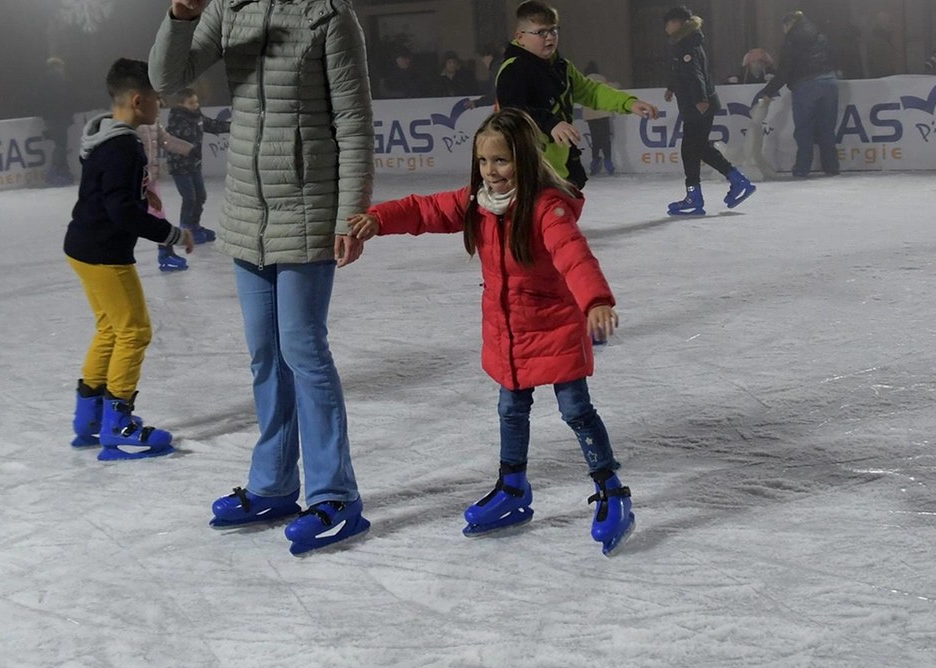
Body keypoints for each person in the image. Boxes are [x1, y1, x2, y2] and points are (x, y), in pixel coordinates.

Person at [347, 109, 633, 555]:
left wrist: (595, 301)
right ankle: (514, 488)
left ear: (523, 159)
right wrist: (379, 219)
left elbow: (573, 255)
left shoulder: (546, 208)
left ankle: (612, 491)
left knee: (576, 410)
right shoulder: (477, 203)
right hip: (510, 333)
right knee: (510, 410)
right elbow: (424, 209)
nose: (491, 171)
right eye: (483, 162)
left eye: (501, 161)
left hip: (554, 326)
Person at [151, 0, 375, 556]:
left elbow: (352, 117)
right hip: (248, 209)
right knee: (265, 355)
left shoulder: (328, 16)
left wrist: (352, 211)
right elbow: (168, 79)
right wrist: (179, 18)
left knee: (303, 350)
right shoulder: (230, 8)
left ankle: (335, 496)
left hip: (307, 203)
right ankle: (274, 485)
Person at [65, 59, 194, 461]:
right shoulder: (125, 145)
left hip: (82, 246)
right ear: (139, 101)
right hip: (106, 252)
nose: (162, 105)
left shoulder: (103, 134)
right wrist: (170, 232)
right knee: (135, 331)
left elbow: (106, 189)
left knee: (109, 329)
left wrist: (141, 194)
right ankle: (118, 427)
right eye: (158, 98)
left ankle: (88, 419)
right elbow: (120, 210)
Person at [495, 1, 658, 190]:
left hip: (559, 165)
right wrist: (551, 123)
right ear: (520, 37)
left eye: (554, 30)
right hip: (527, 166)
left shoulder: (562, 67)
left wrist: (628, 103)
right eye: (540, 32)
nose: (549, 37)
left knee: (565, 208)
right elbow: (513, 111)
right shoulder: (514, 68)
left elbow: (591, 91)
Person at [662, 7, 756, 216]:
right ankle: (737, 180)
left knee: (690, 150)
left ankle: (694, 197)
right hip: (697, 106)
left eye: (667, 23)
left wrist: (700, 100)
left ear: (677, 23)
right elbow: (682, 72)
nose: (666, 28)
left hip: (697, 106)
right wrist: (671, 87)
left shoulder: (685, 45)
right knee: (700, 148)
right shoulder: (689, 41)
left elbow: (695, 74)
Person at [754, 11, 841, 178]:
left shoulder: (791, 40)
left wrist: (768, 92)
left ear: (789, 25)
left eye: (783, 28)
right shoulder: (821, 35)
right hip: (830, 81)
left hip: (806, 84)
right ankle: (831, 166)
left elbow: (784, 70)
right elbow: (834, 56)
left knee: (804, 128)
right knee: (827, 127)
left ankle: (802, 167)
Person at [165, 88, 231, 243]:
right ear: (181, 104)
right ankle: (185, 230)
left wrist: (233, 126)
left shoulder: (198, 117)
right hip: (180, 166)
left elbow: (213, 125)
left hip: (194, 165)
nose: (196, 105)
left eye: (196, 101)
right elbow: (173, 140)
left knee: (201, 196)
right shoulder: (177, 119)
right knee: (189, 198)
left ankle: (194, 225)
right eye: (191, 103)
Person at [137, 120, 195, 271]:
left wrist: (188, 149)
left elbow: (166, 140)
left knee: (158, 215)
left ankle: (165, 253)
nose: (160, 104)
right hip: (134, 179)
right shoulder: (131, 123)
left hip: (150, 178)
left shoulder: (152, 123)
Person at [41, 58, 77, 185]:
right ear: (56, 67)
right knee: (61, 145)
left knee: (61, 145)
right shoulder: (56, 81)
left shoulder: (49, 81)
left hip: (56, 117)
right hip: (58, 117)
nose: (63, 70)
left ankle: (62, 171)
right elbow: (61, 99)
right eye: (61, 67)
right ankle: (55, 171)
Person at [580, 61, 619, 176]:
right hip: (602, 113)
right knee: (605, 139)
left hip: (590, 115)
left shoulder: (583, 81)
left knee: (595, 140)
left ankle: (594, 161)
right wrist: (617, 83)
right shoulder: (601, 79)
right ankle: (608, 162)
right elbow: (612, 88)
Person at [867, 11, 904, 78]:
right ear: (881, 23)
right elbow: (875, 61)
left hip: (891, 74)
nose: (891, 24)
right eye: (889, 21)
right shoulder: (876, 40)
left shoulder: (890, 37)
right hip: (882, 77)